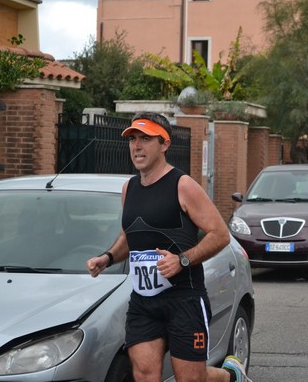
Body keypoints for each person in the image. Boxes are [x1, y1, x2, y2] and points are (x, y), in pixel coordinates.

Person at [86, 113, 250, 382]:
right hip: (143, 300)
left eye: (146, 139)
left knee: (190, 378)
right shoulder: (130, 188)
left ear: (164, 144)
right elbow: (132, 234)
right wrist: (108, 257)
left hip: (184, 298)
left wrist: (181, 260)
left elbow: (219, 234)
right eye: (133, 139)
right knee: (144, 374)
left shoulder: (182, 185)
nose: (137, 146)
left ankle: (229, 376)